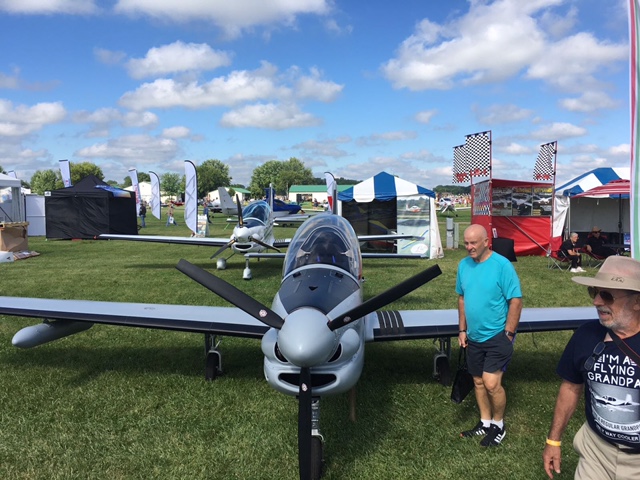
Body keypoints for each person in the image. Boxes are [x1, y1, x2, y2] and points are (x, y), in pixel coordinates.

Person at [542, 256, 640, 479]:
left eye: (606, 295)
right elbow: (570, 387)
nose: (596, 301)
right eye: (594, 292)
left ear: (637, 301)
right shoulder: (586, 335)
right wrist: (553, 440)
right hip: (596, 452)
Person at [457, 224, 523, 447]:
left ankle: (498, 425)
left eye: (473, 243)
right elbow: (462, 298)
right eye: (466, 243)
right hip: (473, 336)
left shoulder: (502, 266)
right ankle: (485, 423)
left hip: (497, 335)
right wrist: (462, 330)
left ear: (486, 242)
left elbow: (516, 300)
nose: (469, 247)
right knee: (477, 381)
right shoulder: (463, 265)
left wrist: (509, 334)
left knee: (491, 383)